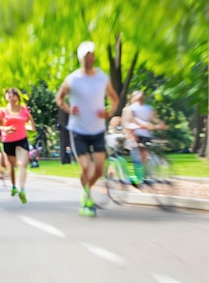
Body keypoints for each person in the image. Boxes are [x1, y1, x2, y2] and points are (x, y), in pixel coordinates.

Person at [55, 41, 119, 217]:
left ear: (94, 57)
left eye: (91, 54)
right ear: (80, 58)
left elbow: (114, 99)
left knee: (98, 169)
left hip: (97, 130)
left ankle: (86, 192)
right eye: (85, 55)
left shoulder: (102, 78)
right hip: (78, 131)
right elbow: (59, 98)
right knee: (85, 168)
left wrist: (109, 112)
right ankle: (87, 198)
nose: (89, 58)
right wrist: (69, 109)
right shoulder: (72, 79)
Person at [0, 88, 36, 203]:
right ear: (6, 97)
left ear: (18, 97)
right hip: (8, 142)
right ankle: (13, 185)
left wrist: (30, 119)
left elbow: (32, 127)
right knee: (13, 166)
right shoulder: (2, 110)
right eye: (9, 95)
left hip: (22, 140)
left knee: (22, 165)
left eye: (14, 95)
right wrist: (5, 128)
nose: (11, 97)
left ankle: (22, 189)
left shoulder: (23, 110)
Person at [121, 90, 167, 182]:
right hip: (141, 134)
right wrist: (159, 124)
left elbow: (127, 123)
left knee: (139, 156)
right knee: (142, 155)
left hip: (138, 134)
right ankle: (144, 175)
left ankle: (142, 176)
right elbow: (154, 119)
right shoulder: (142, 108)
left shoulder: (131, 109)